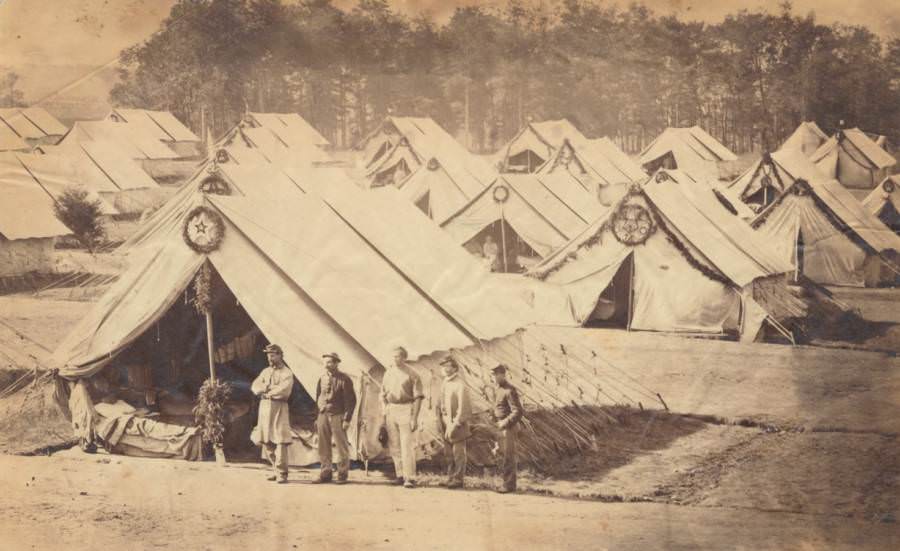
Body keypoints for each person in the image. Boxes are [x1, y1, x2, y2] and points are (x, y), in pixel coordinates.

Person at [381, 346, 425, 488]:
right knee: (394, 445)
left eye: (399, 356)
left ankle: (410, 477)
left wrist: (414, 417)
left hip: (406, 408)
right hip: (391, 409)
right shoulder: (388, 373)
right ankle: (400, 475)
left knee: (406, 444)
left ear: (405, 357)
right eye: (393, 356)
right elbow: (382, 394)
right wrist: (384, 410)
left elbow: (418, 397)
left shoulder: (413, 374)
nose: (395, 359)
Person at [250, 344, 295, 484]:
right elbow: (255, 386)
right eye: (268, 355)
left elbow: (284, 390)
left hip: (279, 407)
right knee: (267, 440)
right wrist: (267, 388)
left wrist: (267, 390)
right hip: (265, 407)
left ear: (280, 355)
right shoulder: (265, 371)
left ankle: (282, 473)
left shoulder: (287, 373)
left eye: (273, 354)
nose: (270, 357)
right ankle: (276, 469)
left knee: (280, 440)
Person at [313, 352, 357, 485]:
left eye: (329, 362)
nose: (326, 365)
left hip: (337, 415)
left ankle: (342, 474)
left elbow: (351, 401)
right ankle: (325, 472)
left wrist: (347, 419)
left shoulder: (344, 379)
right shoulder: (322, 378)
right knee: (323, 445)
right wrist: (318, 415)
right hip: (323, 414)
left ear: (336, 363)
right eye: (325, 362)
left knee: (341, 445)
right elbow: (318, 396)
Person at [435, 357, 471, 489]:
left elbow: (464, 408)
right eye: (443, 366)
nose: (445, 369)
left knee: (458, 453)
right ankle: (450, 477)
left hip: (457, 424)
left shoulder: (459, 385)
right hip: (445, 422)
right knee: (448, 453)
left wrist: (455, 424)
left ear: (455, 368)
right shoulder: (445, 382)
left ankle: (458, 479)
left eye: (448, 366)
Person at [490, 364, 523, 493]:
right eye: (491, 375)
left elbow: (518, 411)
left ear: (503, 375)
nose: (493, 378)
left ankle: (509, 485)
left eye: (495, 375)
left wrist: (504, 423)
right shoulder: (497, 389)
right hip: (499, 426)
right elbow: (496, 407)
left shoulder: (510, 390)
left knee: (509, 457)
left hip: (509, 427)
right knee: (502, 455)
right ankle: (505, 483)